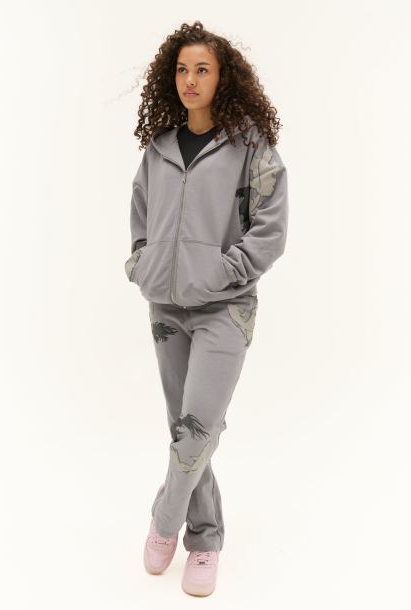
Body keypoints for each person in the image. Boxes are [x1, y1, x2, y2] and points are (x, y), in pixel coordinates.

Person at [124, 21, 289, 596]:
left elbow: (270, 232)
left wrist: (221, 273)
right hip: (166, 309)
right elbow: (140, 214)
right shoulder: (160, 149)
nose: (190, 79)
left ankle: (164, 520)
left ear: (224, 78)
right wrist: (141, 264)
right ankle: (206, 538)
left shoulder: (250, 148)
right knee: (185, 430)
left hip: (225, 310)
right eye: (181, 69)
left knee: (199, 428)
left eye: (202, 69)